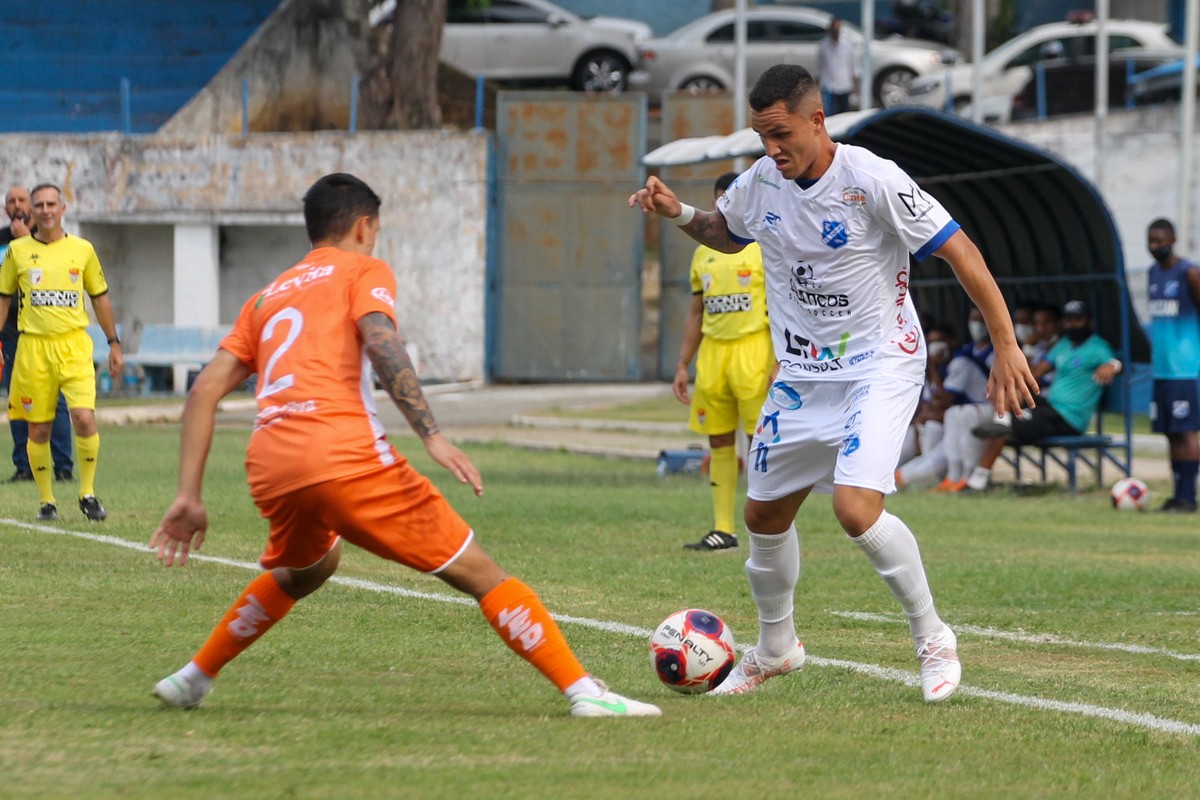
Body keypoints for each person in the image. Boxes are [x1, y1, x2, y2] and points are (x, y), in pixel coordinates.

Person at [149, 173, 660, 718]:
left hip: (271, 464)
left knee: (308, 569)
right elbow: (380, 336)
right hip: (343, 455)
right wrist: (432, 436)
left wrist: (189, 494)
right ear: (366, 226)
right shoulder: (365, 269)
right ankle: (584, 691)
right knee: (480, 573)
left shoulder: (266, 296)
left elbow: (204, 388)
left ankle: (193, 677)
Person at [629, 64, 1036, 703]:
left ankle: (934, 637)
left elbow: (962, 252)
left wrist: (1007, 347)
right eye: (761, 136)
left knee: (855, 509)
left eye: (781, 133)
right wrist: (676, 210)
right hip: (800, 376)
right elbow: (725, 235)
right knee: (762, 514)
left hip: (879, 363)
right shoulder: (761, 182)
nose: (771, 148)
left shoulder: (872, 180)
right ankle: (775, 649)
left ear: (817, 121)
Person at [0, 184, 121, 522]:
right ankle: (46, 501)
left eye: (51, 203)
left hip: (73, 345)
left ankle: (87, 493)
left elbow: (100, 297)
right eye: (38, 205)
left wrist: (114, 342)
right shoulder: (17, 251)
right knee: (39, 429)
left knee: (83, 416)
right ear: (32, 211)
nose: (45, 210)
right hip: (33, 347)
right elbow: (4, 297)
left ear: (63, 208)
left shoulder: (82, 249)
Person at [674, 171, 772, 551]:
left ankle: (765, 530)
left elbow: (783, 305)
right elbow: (696, 312)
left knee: (760, 442)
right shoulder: (702, 253)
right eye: (719, 202)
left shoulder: (764, 244)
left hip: (754, 350)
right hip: (714, 355)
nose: (723, 208)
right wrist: (684, 363)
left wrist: (780, 359)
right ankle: (723, 529)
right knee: (718, 439)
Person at [966, 300, 1121, 491]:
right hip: (1050, 409)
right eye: (1069, 320)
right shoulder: (1063, 345)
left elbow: (1114, 363)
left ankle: (978, 481)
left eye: (1078, 320)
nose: (1073, 325)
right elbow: (1034, 372)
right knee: (1011, 384)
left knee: (1002, 430)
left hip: (1068, 418)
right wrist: (1028, 349)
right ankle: (1002, 421)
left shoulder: (1097, 347)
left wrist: (1113, 366)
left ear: (1089, 321)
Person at [0, 185, 74, 483]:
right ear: (6, 208)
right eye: (11, 201)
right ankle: (24, 465)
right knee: (19, 399)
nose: (17, 206)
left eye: (22, 200)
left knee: (54, 399)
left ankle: (63, 464)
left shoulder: (47, 239)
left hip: (44, 330)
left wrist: (24, 241)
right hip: (11, 333)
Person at [1146, 218, 1200, 513]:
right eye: (1151, 241)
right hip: (1161, 368)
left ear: (1173, 239)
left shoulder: (1188, 272)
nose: (1156, 246)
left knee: (1186, 430)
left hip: (1185, 368)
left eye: (1160, 241)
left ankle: (1189, 497)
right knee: (1169, 431)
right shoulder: (1153, 273)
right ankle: (1177, 493)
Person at [933, 306, 995, 492]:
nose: (977, 325)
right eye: (974, 320)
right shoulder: (967, 350)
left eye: (982, 320)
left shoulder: (996, 351)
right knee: (953, 413)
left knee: (967, 414)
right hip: (974, 407)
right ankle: (953, 476)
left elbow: (944, 397)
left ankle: (969, 475)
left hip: (992, 406)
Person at [816, 18, 859, 116]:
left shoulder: (848, 45)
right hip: (829, 84)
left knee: (844, 111)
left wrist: (855, 85)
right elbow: (819, 66)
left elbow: (854, 65)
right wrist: (817, 84)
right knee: (830, 112)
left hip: (844, 83)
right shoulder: (823, 46)